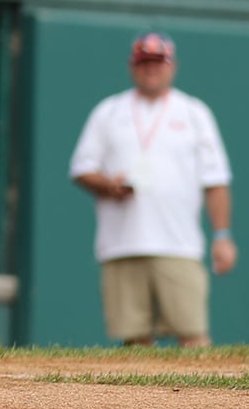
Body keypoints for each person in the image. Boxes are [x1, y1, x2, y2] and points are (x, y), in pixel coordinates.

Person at [69, 33, 235, 346]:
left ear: (172, 66)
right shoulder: (109, 111)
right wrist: (108, 184)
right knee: (135, 340)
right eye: (144, 63)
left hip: (179, 243)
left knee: (193, 335)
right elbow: (81, 169)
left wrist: (222, 236)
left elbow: (215, 180)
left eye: (158, 63)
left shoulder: (194, 113)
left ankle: (204, 398)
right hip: (122, 243)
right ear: (133, 67)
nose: (151, 70)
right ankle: (142, 399)